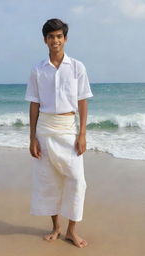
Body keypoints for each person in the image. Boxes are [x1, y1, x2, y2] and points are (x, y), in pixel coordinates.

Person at [25, 18, 93, 248]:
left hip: (67, 129)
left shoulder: (77, 67)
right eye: (51, 36)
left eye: (59, 36)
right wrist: (32, 137)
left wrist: (82, 134)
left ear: (65, 38)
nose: (55, 40)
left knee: (77, 180)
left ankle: (72, 230)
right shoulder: (37, 69)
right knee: (48, 180)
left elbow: (82, 102)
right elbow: (34, 104)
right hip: (44, 129)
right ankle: (56, 227)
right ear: (45, 40)